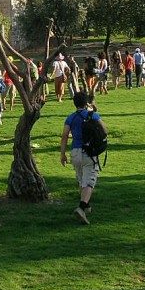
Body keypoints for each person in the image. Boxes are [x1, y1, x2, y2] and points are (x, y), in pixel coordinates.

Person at [59, 92, 106, 225]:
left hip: (75, 152)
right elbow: (105, 130)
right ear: (86, 103)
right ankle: (81, 207)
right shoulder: (93, 115)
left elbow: (64, 136)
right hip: (89, 152)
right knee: (89, 181)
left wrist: (62, 154)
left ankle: (87, 206)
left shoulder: (70, 118)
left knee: (81, 179)